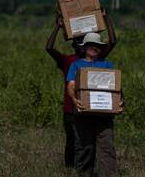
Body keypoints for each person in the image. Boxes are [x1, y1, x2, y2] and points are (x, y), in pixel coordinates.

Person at [47, 12, 116, 168]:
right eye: (78, 42)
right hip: (71, 109)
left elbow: (112, 41)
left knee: (87, 141)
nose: (81, 45)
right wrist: (58, 27)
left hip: (93, 107)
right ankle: (71, 168)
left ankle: (87, 169)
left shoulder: (100, 60)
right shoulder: (68, 61)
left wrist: (105, 17)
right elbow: (49, 47)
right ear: (75, 45)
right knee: (74, 140)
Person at [66, 31, 122, 177]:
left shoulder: (107, 64)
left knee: (107, 146)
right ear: (84, 47)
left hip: (104, 114)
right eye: (91, 45)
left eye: (97, 45)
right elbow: (71, 85)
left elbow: (115, 88)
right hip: (83, 112)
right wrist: (74, 99)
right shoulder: (76, 65)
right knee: (84, 146)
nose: (94, 48)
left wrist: (120, 102)